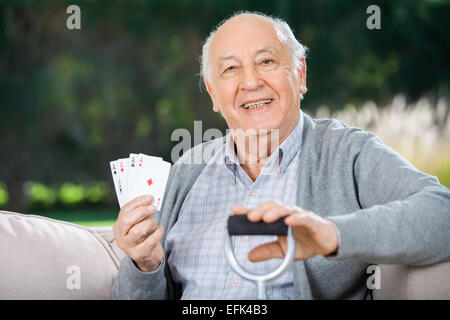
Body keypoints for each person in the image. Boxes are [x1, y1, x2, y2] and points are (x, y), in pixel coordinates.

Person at [112, 12, 450, 299]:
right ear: (214, 94)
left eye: (267, 61)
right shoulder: (187, 170)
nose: (251, 82)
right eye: (230, 69)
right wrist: (145, 266)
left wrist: (331, 235)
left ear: (300, 75)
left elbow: (441, 213)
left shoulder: (347, 153)